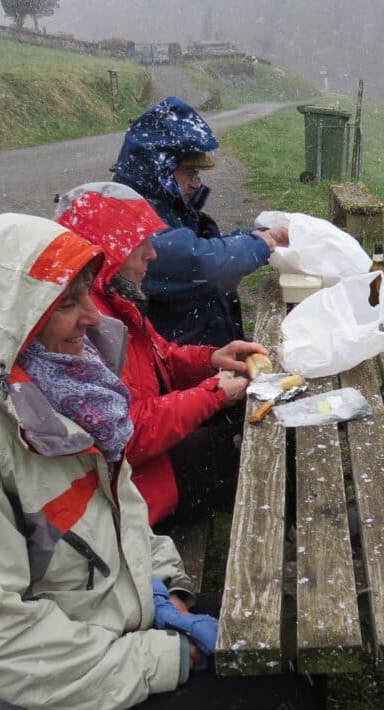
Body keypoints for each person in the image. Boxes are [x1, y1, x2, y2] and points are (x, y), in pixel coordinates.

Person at [0, 214, 318, 710]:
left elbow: (122, 510)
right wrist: (161, 657)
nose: (92, 316)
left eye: (88, 295)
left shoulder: (65, 388)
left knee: (283, 637)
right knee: (280, 698)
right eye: (66, 303)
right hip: (35, 693)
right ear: (6, 321)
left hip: (109, 620)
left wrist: (170, 587)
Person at [54, 181, 259, 525]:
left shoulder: (112, 299)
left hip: (141, 466)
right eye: (139, 244)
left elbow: (161, 358)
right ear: (108, 252)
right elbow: (127, 432)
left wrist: (211, 360)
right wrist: (213, 393)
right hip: (133, 491)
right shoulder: (87, 324)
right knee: (237, 451)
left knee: (238, 428)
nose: (152, 254)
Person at [111, 95, 288, 347]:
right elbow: (197, 263)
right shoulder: (130, 219)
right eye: (191, 173)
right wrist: (259, 245)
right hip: (179, 367)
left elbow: (205, 246)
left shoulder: (166, 207)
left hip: (200, 356)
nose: (197, 183)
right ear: (160, 169)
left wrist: (257, 235)